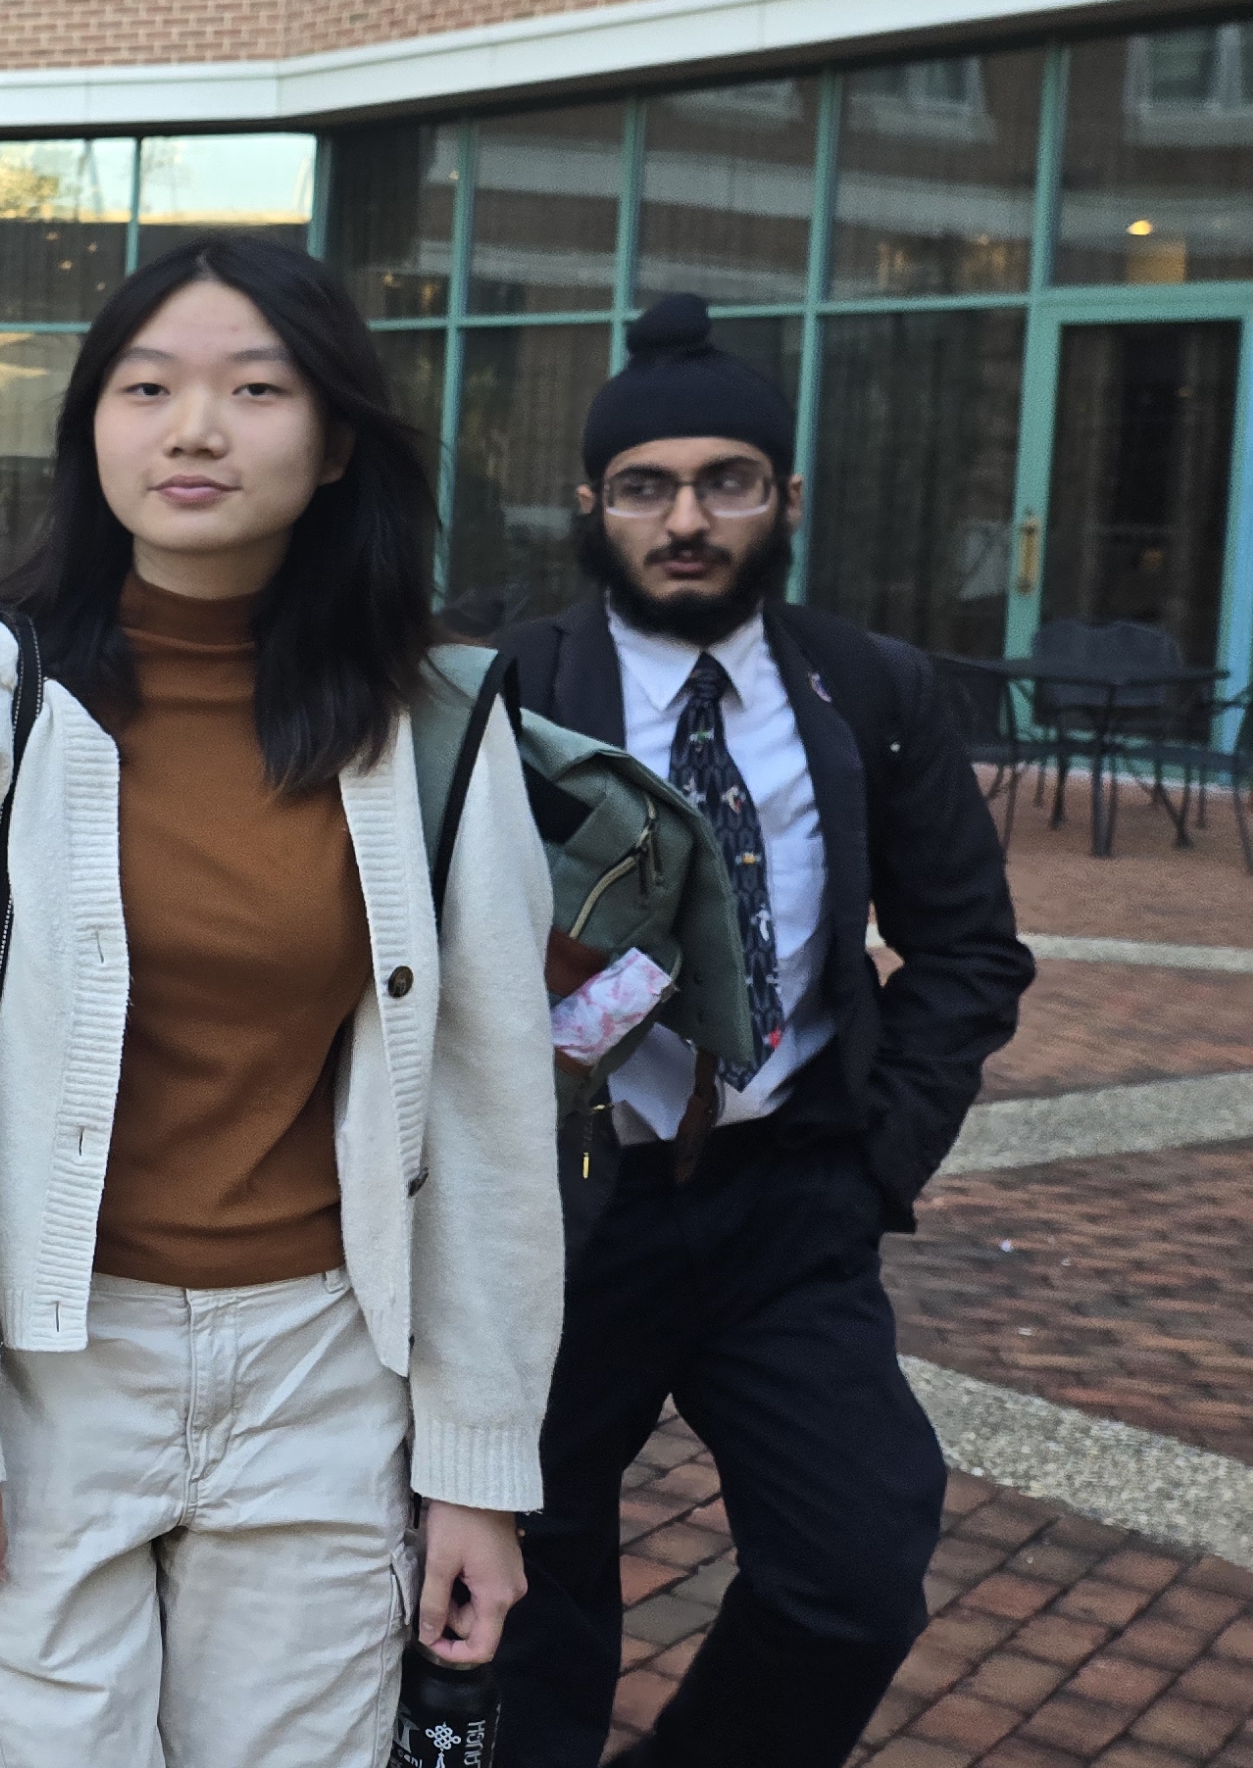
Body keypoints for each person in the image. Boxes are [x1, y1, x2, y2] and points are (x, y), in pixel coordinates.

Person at [0, 238, 564, 1768]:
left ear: (338, 436)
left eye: (254, 389)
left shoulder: (431, 719)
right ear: (91, 421)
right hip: (48, 1364)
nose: (194, 430)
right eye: (146, 387)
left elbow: (492, 1107)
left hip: (318, 1367)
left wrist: (479, 1472)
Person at [498, 295, 1031, 1768]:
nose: (687, 519)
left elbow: (971, 949)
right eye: (646, 487)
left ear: (785, 500)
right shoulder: (510, 695)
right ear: (592, 506)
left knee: (854, 1577)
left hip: (786, 1205)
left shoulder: (871, 691)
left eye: (726, 483)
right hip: (565, 1217)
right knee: (535, 1595)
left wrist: (875, 1159)